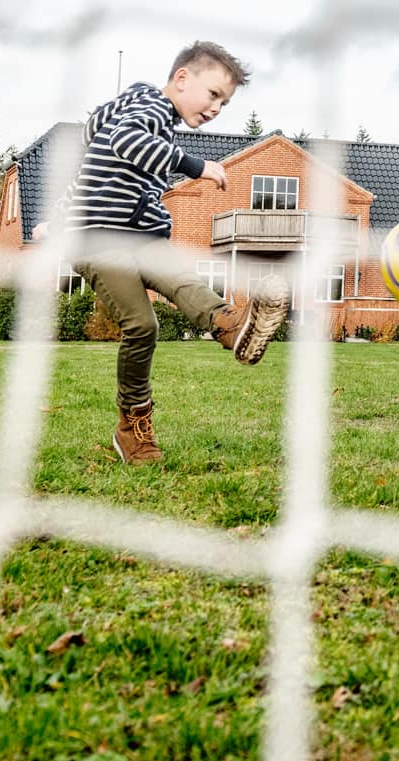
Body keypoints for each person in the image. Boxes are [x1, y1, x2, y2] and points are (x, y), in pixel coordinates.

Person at [38, 41, 289, 465]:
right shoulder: (150, 106)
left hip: (142, 235)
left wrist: (56, 217)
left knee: (184, 282)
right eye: (213, 95)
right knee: (142, 325)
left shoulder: (149, 117)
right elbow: (124, 140)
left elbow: (91, 168)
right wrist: (196, 166)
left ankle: (231, 326)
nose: (215, 110)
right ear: (182, 78)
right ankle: (132, 425)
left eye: (224, 104)